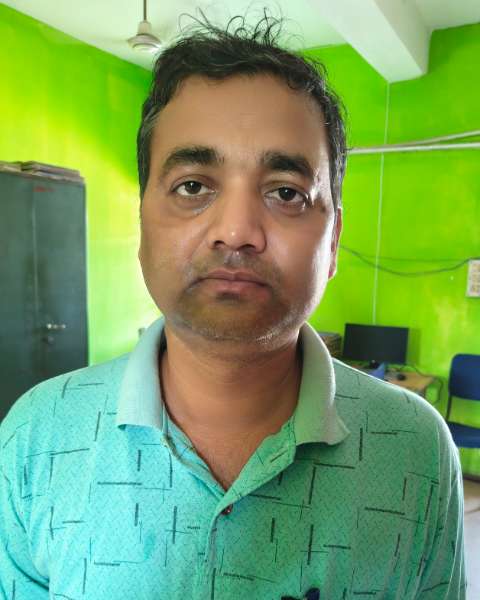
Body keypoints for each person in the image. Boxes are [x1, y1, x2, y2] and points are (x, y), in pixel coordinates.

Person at [0, 14, 466, 600]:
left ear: (333, 242)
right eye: (193, 186)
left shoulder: (417, 448)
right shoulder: (36, 436)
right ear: (142, 222)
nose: (237, 231)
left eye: (287, 193)